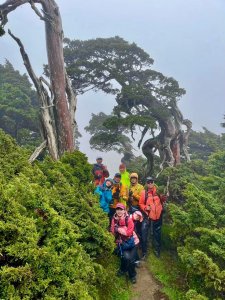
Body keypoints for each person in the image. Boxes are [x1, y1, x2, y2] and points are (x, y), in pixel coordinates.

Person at [139, 176, 167, 258]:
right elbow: (141, 203)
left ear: (154, 182)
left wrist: (164, 197)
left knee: (157, 234)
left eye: (151, 182)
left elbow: (162, 201)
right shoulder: (144, 193)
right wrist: (145, 207)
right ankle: (144, 252)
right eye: (148, 182)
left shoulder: (158, 191)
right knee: (144, 233)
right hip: (148, 216)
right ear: (146, 183)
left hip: (158, 216)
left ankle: (157, 251)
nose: (150, 183)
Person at [111, 203, 138, 284]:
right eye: (117, 209)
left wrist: (119, 229)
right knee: (125, 257)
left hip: (132, 242)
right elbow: (112, 232)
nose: (119, 211)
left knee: (132, 260)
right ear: (116, 210)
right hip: (122, 243)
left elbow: (129, 232)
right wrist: (115, 232)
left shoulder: (128, 219)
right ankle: (122, 270)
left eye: (121, 209)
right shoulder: (114, 219)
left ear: (124, 210)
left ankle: (132, 275)